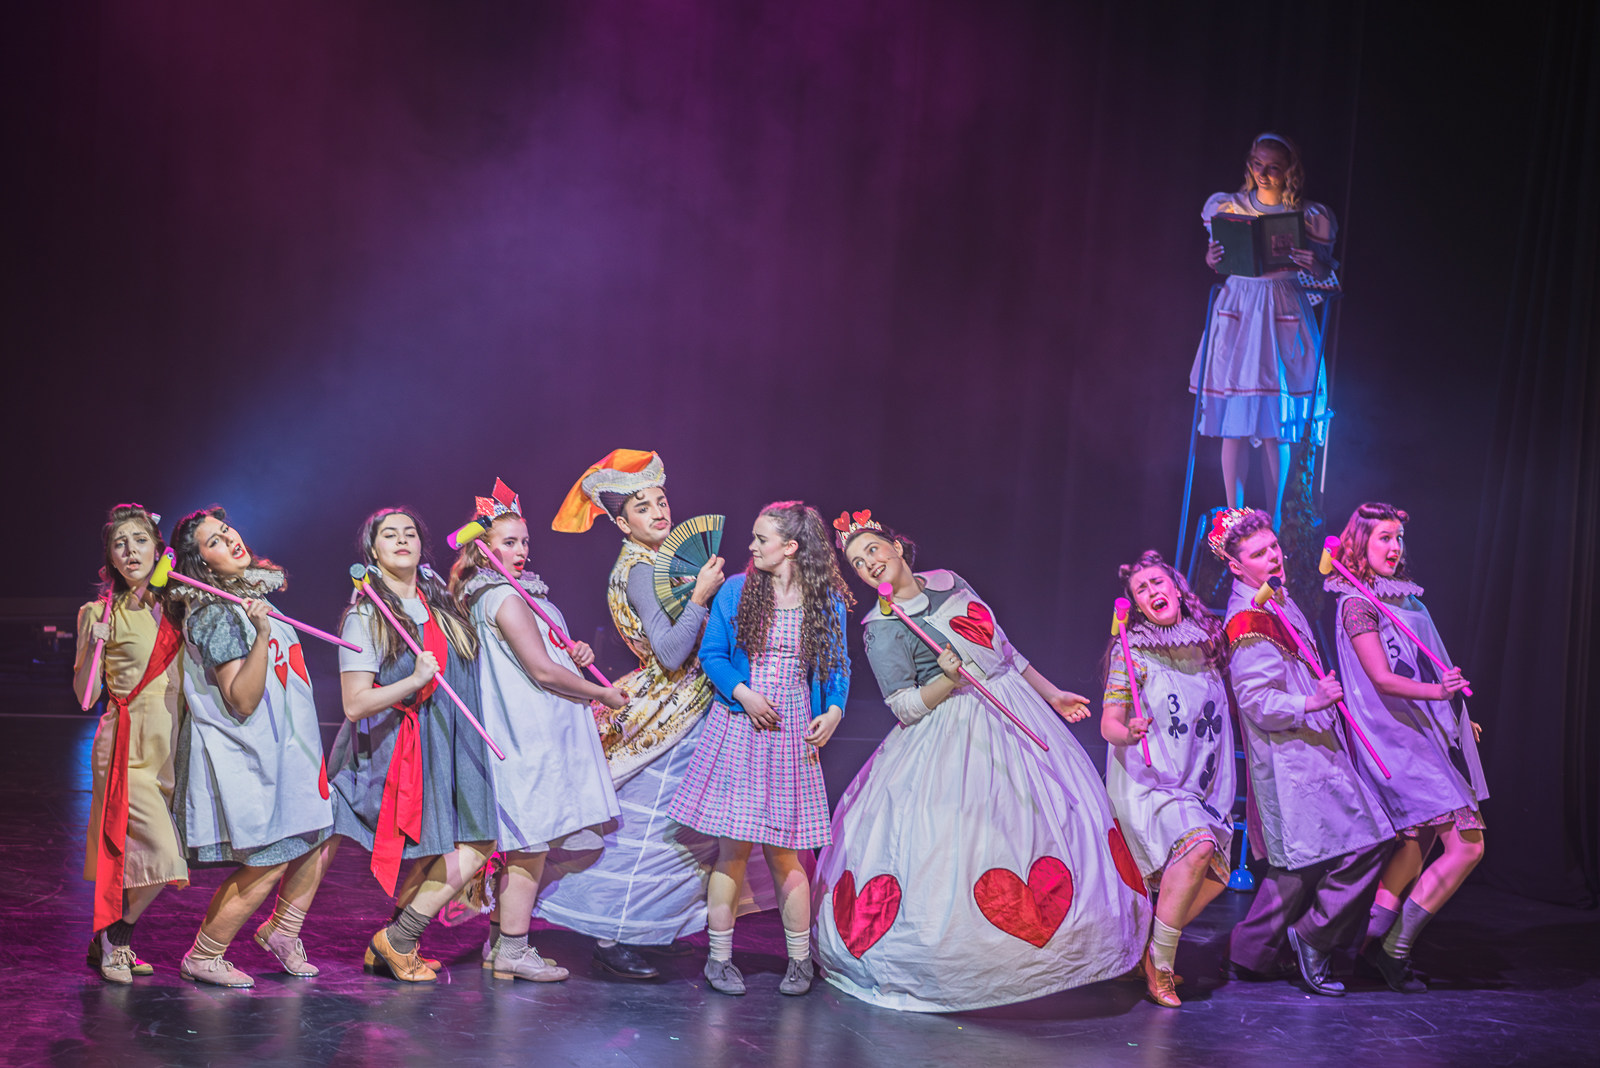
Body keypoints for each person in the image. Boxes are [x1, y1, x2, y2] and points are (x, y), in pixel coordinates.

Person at [812, 513, 1149, 1012]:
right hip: (951, 730)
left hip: (1016, 707)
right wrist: (948, 679)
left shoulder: (950, 583)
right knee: (961, 840)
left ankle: (1076, 951)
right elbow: (903, 708)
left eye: (874, 551)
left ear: (897, 547)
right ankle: (966, 963)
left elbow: (1003, 651)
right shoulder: (881, 628)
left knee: (1045, 822)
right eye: (858, 564)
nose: (869, 565)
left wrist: (1052, 694)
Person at [541, 449, 765, 981]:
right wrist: (703, 597)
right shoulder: (641, 570)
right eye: (642, 507)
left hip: (694, 700)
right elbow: (667, 652)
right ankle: (609, 933)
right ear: (621, 522)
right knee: (646, 826)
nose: (658, 512)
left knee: (682, 833)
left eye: (661, 501)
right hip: (665, 705)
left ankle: (650, 927)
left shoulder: (665, 560)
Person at [667, 501, 851, 997]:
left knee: (786, 856)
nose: (751, 547)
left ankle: (798, 961)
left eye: (761, 539)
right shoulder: (736, 591)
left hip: (791, 734)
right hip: (741, 729)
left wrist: (832, 712)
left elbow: (837, 668)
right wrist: (743, 694)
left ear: (790, 547)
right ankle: (719, 959)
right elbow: (713, 655)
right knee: (731, 852)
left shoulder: (824, 599)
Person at [449, 478, 627, 982]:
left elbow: (550, 659)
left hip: (545, 727)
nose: (522, 550)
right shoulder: (502, 596)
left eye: (525, 541)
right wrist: (602, 693)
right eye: (510, 542)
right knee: (532, 844)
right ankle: (511, 945)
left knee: (541, 846)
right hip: (530, 732)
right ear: (483, 547)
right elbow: (541, 672)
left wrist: (577, 655)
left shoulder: (516, 593)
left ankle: (501, 936)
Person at [1216, 507, 1395, 996]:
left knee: (1300, 861)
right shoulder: (1249, 616)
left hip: (1311, 744)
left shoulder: (1278, 598)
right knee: (1366, 839)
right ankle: (1312, 937)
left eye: (1273, 547)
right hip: (1294, 753)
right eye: (1258, 553)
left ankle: (1250, 953)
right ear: (1236, 566)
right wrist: (1310, 701)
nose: (1273, 556)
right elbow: (1256, 700)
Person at [168, 507, 337, 988]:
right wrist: (261, 634)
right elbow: (241, 697)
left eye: (227, 531)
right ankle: (204, 955)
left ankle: (283, 931)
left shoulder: (248, 595)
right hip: (248, 755)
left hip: (289, 749)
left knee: (319, 831)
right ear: (200, 564)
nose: (230, 540)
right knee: (271, 856)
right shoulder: (216, 612)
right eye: (214, 542)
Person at [326, 507, 496, 983]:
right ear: (373, 550)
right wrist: (416, 679)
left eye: (410, 534)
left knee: (457, 845)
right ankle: (399, 939)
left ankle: (394, 942)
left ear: (422, 547)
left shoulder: (440, 606)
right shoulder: (366, 615)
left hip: (456, 737)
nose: (402, 540)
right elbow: (355, 704)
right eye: (389, 534)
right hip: (413, 743)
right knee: (477, 842)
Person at [1328, 502, 1486, 992]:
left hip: (1423, 731)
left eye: (1398, 539)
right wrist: (1438, 696)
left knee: (1413, 845)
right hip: (1393, 738)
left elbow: (1429, 663)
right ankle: (1393, 948)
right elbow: (1380, 677)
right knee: (1467, 843)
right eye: (1384, 539)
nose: (1395, 548)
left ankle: (1367, 950)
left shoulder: (1407, 600)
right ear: (1360, 543)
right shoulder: (1357, 602)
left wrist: (1455, 712)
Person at [1101, 550, 1232, 1007]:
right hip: (1150, 780)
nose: (1153, 592)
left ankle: (1144, 949)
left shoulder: (1207, 643)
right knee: (1198, 850)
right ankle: (1160, 965)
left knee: (1215, 875)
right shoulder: (1129, 650)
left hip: (1201, 781)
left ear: (1177, 588)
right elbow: (1109, 724)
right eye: (1142, 589)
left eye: (1159, 583)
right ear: (1135, 604)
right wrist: (1129, 731)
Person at [1189, 133, 1336, 521]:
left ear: (1289, 170)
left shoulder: (1308, 216)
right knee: (1234, 420)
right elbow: (1217, 259)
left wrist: (1313, 264)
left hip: (1281, 308)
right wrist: (1212, 256)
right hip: (1239, 308)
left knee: (1277, 421)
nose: (1264, 173)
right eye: (1257, 164)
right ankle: (1235, 520)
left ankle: (1276, 519)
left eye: (1273, 167)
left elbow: (1327, 274)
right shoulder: (1227, 206)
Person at [73, 503, 188, 983]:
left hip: (167, 752)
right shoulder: (98, 612)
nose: (131, 550)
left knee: (139, 857)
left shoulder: (178, 607)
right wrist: (91, 644)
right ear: (112, 559)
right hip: (125, 749)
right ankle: (114, 937)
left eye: (140, 540)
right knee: (164, 857)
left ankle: (105, 942)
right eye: (120, 544)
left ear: (158, 549)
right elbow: (85, 696)